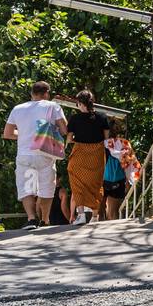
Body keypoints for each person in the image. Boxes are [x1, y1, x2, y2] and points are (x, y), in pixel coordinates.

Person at [2, 81, 68, 228]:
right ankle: (45, 220)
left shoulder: (18, 108)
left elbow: (7, 133)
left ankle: (31, 218)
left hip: (24, 154)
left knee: (26, 188)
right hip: (45, 154)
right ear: (46, 93)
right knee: (47, 188)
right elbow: (64, 130)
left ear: (32, 94)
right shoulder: (52, 106)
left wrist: (26, 134)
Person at [66, 90, 109, 225]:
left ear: (79, 103)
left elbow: (69, 139)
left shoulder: (74, 118)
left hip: (80, 154)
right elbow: (106, 138)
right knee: (96, 184)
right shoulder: (102, 117)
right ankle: (95, 216)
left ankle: (81, 215)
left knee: (77, 182)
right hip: (97, 154)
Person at [102, 118, 141, 219]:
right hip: (118, 180)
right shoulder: (124, 144)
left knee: (102, 211)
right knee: (114, 211)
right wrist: (129, 181)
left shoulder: (102, 144)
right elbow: (130, 164)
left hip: (103, 179)